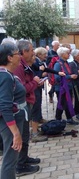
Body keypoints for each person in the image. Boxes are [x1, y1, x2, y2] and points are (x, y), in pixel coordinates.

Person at [13, 40, 41, 176]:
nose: (33, 53)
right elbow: (21, 89)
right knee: (22, 134)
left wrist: (34, 82)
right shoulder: (18, 66)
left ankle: (24, 159)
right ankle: (19, 165)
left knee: (25, 134)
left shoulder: (24, 64)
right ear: (23, 52)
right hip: (21, 105)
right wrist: (34, 83)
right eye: (31, 50)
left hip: (26, 103)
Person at [0, 42, 25, 179]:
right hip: (9, 123)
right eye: (17, 54)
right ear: (9, 58)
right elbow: (5, 106)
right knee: (10, 159)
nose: (20, 57)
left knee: (11, 158)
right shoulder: (5, 76)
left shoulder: (7, 74)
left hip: (12, 120)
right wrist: (15, 133)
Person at [32, 47, 65, 127]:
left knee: (39, 102)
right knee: (36, 104)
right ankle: (35, 122)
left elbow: (46, 70)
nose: (46, 56)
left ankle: (39, 118)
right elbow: (37, 74)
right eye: (44, 54)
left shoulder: (40, 61)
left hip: (40, 84)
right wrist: (41, 72)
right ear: (39, 54)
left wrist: (57, 72)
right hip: (35, 85)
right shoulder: (35, 61)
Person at [53, 47, 79, 125]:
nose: (69, 54)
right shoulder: (58, 64)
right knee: (62, 104)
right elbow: (57, 77)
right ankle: (58, 120)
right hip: (61, 88)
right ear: (62, 54)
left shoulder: (66, 62)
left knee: (68, 103)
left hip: (68, 86)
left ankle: (69, 118)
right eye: (67, 53)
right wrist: (70, 77)